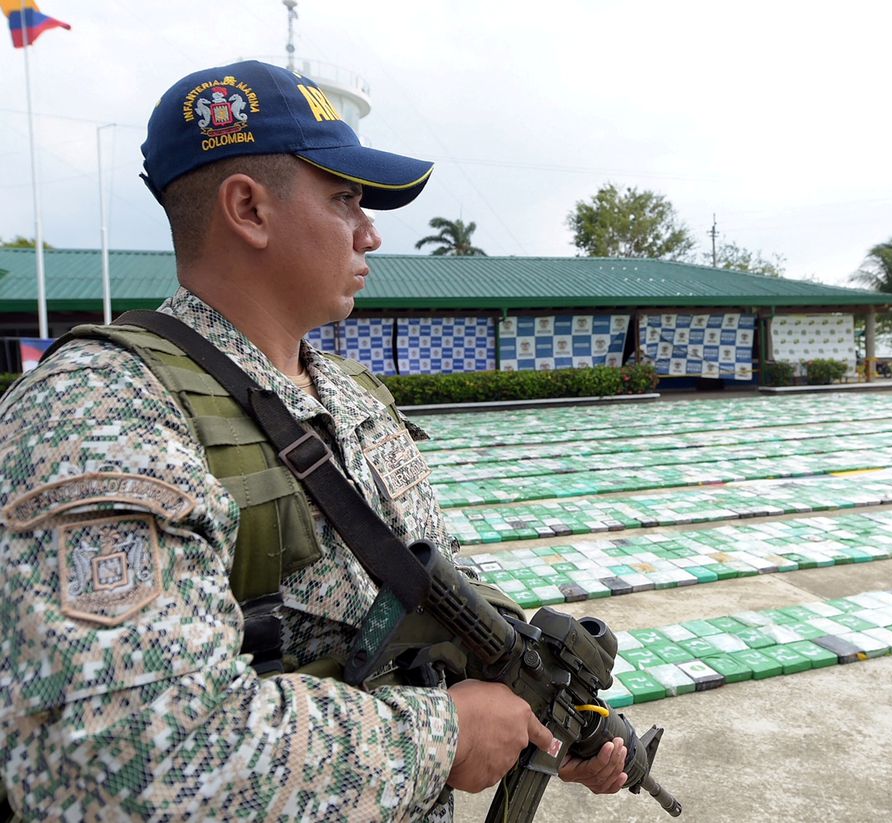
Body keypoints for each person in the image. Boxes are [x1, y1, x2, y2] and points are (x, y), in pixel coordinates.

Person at [0, 60, 625, 821]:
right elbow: (120, 764)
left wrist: (549, 706)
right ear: (249, 210)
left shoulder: (354, 392)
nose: (370, 230)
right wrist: (443, 734)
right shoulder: (101, 411)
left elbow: (434, 575)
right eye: (345, 198)